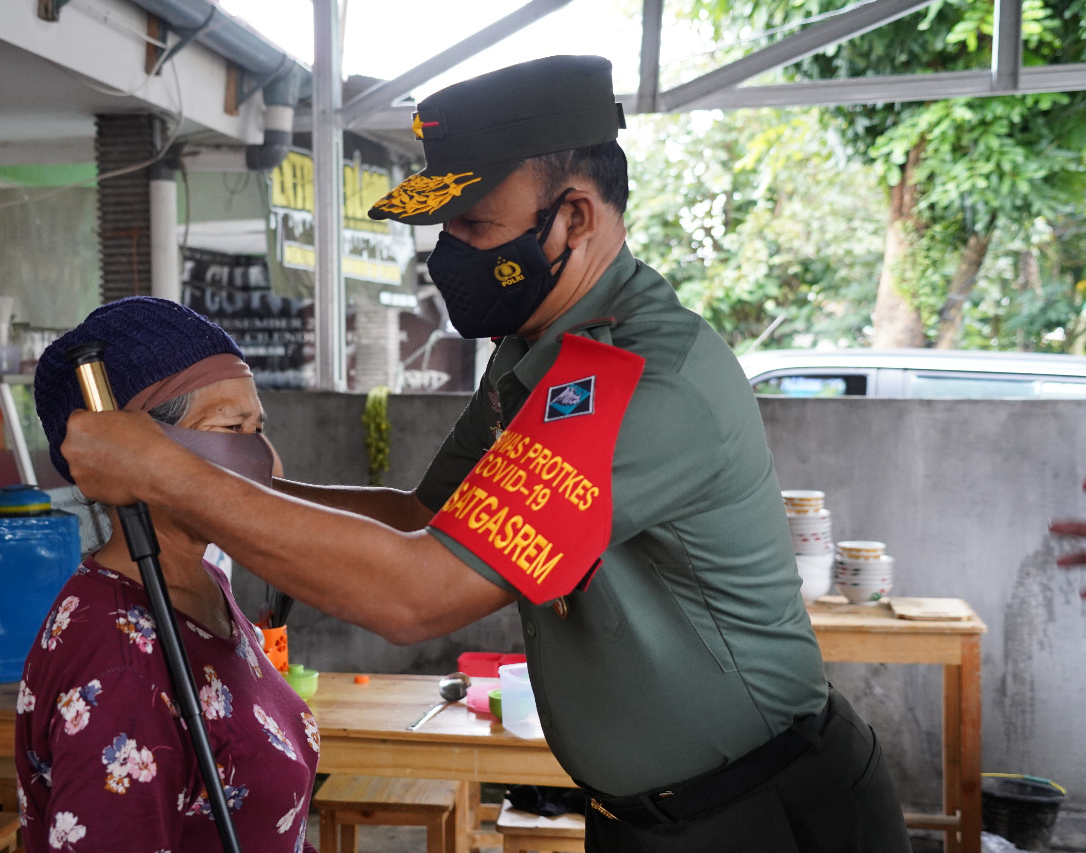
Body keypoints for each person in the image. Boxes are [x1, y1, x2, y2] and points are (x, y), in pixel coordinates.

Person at [59, 56, 912, 852]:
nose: (445, 258)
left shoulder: (633, 378)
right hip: (648, 816)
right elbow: (429, 519)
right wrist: (234, 475)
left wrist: (171, 474)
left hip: (765, 815)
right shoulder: (533, 352)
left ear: (573, 216)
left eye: (474, 224)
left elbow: (420, 590)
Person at [16, 296, 319, 853]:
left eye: (258, 429)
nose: (265, 460)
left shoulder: (205, 583)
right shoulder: (119, 667)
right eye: (232, 428)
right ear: (126, 453)